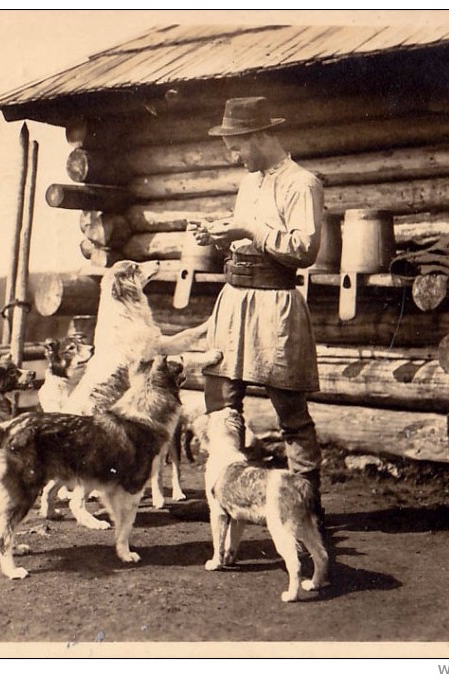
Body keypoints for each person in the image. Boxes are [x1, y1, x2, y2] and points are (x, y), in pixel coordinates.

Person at [190, 96, 325, 510]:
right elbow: (245, 237)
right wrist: (216, 236)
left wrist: (250, 226)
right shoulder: (249, 182)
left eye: (237, 146)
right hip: (234, 302)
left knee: (291, 414)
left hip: (275, 306)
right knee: (221, 403)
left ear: (262, 136)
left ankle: (306, 506)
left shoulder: (303, 183)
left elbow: (304, 249)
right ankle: (229, 499)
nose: (233, 156)